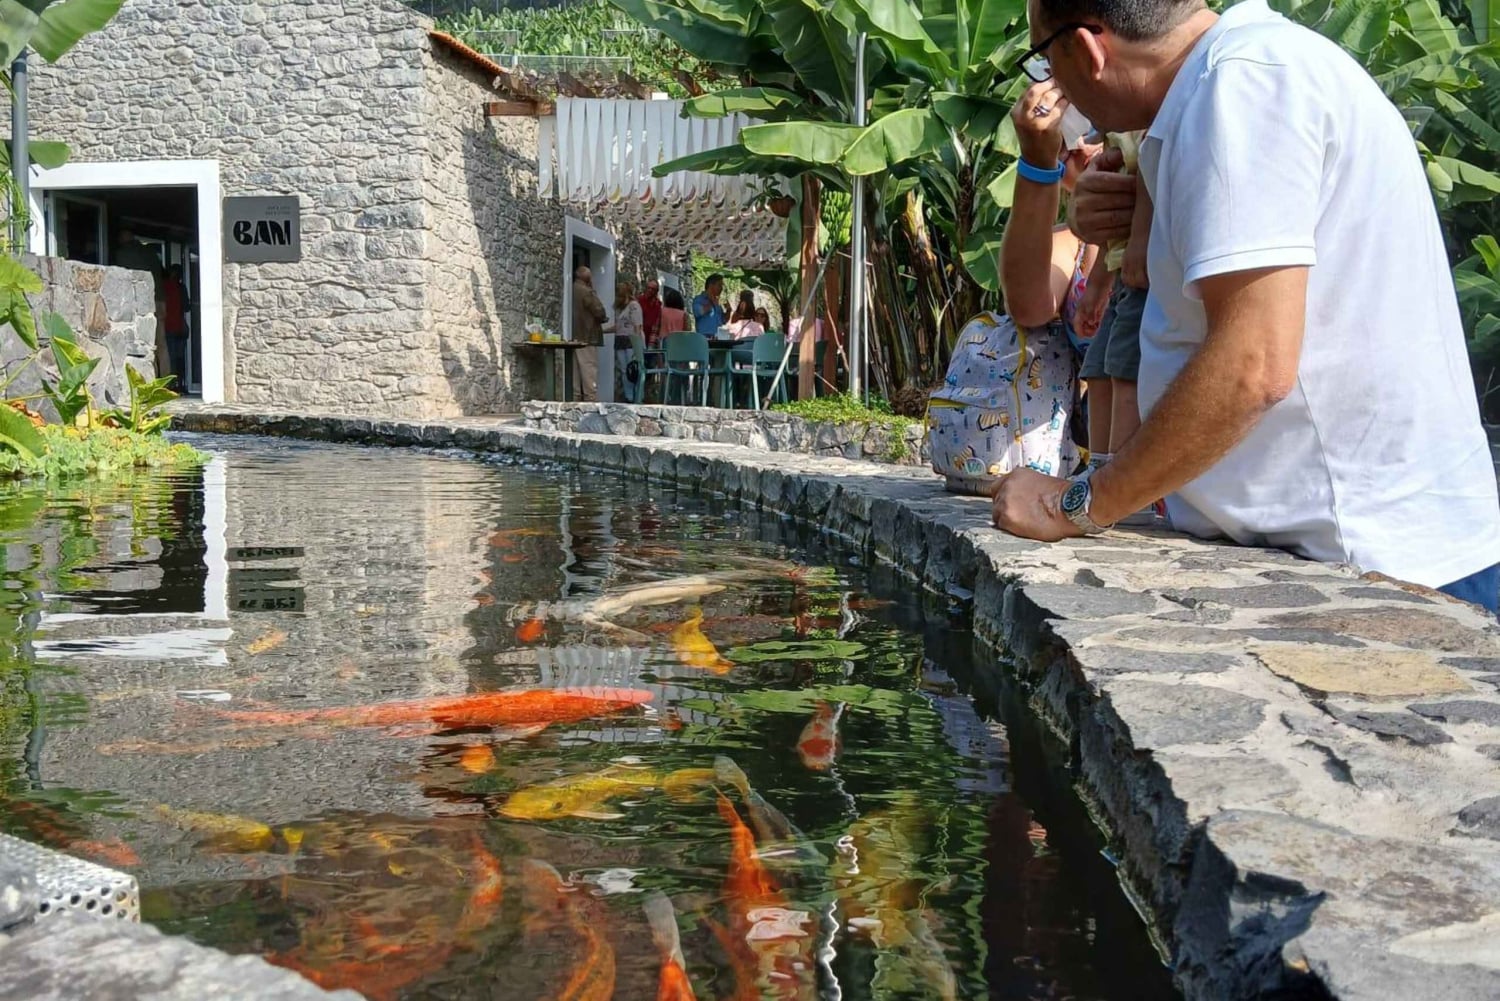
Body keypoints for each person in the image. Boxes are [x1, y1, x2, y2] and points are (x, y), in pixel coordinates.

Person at [991, 0, 1500, 611]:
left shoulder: (1241, 88)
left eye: (1046, 57)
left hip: (1370, 561)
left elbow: (1252, 364)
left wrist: (1078, 504)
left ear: (1086, 50)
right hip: (1345, 546)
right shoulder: (1240, 74)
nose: (1051, 78)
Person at [1074, 129, 1155, 525]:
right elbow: (1112, 232)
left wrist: (1141, 238)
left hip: (1146, 272)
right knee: (1098, 369)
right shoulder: (1113, 136)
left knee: (1125, 369)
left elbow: (1150, 176)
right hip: (1120, 273)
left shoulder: (1150, 127)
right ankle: (1099, 467)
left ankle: (1125, 488)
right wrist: (1095, 290)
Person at [570, 265, 607, 401]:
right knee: (588, 367)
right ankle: (590, 398)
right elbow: (599, 311)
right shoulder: (586, 292)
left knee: (575, 369)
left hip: (573, 335)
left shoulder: (571, 289)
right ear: (588, 278)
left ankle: (575, 397)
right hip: (587, 334)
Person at [604, 280, 645, 402]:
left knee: (634, 369)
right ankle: (629, 397)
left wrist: (637, 345)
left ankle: (637, 396)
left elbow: (637, 326)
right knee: (624, 370)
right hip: (620, 340)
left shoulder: (634, 306)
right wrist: (603, 331)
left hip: (631, 341)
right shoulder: (619, 308)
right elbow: (618, 326)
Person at [161, 265, 190, 389]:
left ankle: (171, 385)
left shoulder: (163, 287)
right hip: (179, 327)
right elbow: (187, 307)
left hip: (168, 327)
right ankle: (180, 383)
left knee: (170, 357)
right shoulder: (181, 288)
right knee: (179, 358)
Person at [638, 279, 662, 345]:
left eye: (653, 289)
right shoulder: (640, 300)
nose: (650, 290)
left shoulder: (658, 304)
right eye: (648, 288)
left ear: (656, 291)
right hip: (640, 335)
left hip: (652, 337)